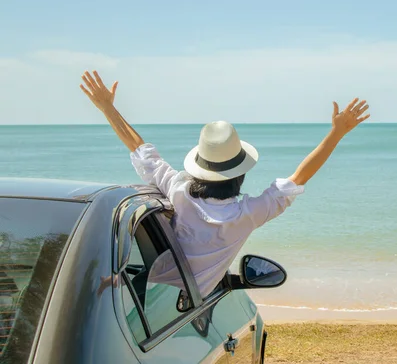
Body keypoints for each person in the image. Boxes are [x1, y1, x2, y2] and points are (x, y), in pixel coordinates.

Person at [79, 70, 370, 298]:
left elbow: (141, 150)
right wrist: (337, 133)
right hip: (180, 304)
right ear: (240, 173)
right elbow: (299, 177)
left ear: (200, 165)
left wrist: (107, 108)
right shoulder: (249, 213)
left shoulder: (179, 190)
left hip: (147, 290)